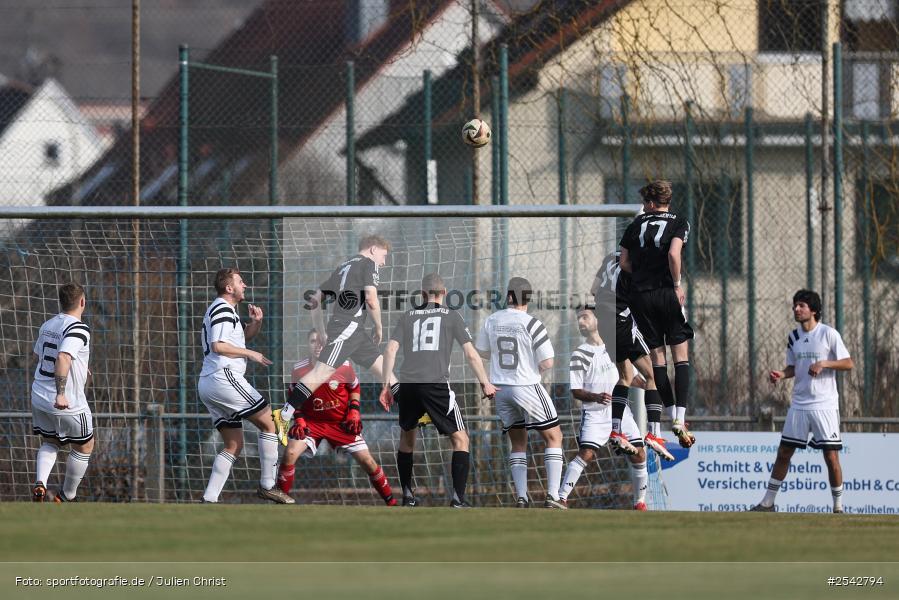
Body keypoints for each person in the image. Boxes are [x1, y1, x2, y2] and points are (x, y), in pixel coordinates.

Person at [379, 273, 498, 508]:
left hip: (409, 385)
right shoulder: (452, 316)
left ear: (422, 294)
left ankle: (407, 494)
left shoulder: (407, 316)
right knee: (461, 439)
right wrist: (485, 382)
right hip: (436, 385)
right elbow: (471, 354)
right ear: (444, 294)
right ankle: (457, 498)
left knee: (407, 438)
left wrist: (386, 386)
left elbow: (390, 351)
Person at [276, 235, 399, 443]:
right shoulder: (368, 264)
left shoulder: (343, 267)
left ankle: (416, 413)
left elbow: (315, 299)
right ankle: (284, 415)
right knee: (321, 372)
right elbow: (371, 298)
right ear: (372, 249)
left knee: (387, 373)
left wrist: (321, 330)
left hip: (356, 332)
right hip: (347, 327)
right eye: (383, 255)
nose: (384, 261)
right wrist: (379, 326)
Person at [750, 289, 853, 513]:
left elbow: (848, 363)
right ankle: (767, 503)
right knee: (784, 453)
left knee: (830, 455)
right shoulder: (793, 337)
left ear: (813, 310)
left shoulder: (829, 334)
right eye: (795, 305)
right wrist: (781, 374)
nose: (796, 309)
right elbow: (793, 368)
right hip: (799, 405)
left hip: (824, 405)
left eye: (802, 306)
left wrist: (824, 364)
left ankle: (838, 507)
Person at [198, 267, 293, 504]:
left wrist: (256, 323)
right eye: (241, 281)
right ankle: (268, 486)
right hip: (223, 377)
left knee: (233, 444)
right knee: (271, 423)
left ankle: (209, 499)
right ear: (229, 287)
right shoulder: (221, 308)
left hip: (209, 383)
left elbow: (241, 337)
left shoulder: (228, 311)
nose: (245, 285)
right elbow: (219, 345)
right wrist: (250, 354)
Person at [475, 277, 566, 509]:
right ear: (528, 298)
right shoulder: (532, 323)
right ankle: (553, 495)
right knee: (554, 437)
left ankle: (522, 498)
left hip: (500, 390)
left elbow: (483, 353)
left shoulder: (492, 320)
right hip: (525, 385)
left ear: (508, 296)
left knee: (518, 443)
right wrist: (528, 364)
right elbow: (547, 362)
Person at [276, 330, 396, 505]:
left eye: (321, 342)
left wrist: (354, 411)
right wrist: (299, 419)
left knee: (368, 461)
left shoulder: (344, 365)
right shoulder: (298, 369)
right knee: (290, 453)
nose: (317, 345)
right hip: (312, 423)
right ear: (307, 344)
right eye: (312, 341)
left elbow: (354, 388)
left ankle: (391, 502)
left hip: (340, 423)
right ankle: (281, 501)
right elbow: (294, 398)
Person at [619, 180, 696, 448]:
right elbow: (674, 254)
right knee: (681, 355)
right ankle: (680, 417)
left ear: (650, 203)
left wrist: (642, 275)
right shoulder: (679, 221)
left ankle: (672, 412)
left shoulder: (634, 225)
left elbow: (624, 263)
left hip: (640, 296)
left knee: (658, 360)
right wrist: (676, 285)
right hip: (665, 292)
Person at [558, 306, 650, 510]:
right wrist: (596, 397)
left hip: (621, 411)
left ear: (598, 320)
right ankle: (561, 498)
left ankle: (639, 503)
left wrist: (649, 386)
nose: (581, 322)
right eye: (579, 319)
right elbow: (576, 390)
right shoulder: (580, 354)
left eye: (585, 317)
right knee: (587, 454)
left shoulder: (616, 347)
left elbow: (631, 376)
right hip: (594, 414)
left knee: (639, 453)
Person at [591, 250, 673, 461]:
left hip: (603, 319)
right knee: (653, 374)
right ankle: (654, 433)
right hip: (621, 318)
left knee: (625, 375)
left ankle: (616, 431)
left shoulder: (610, 256)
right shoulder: (641, 258)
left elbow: (593, 289)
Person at [30, 282, 94, 502]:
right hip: (66, 401)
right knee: (85, 444)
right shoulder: (78, 327)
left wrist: (81, 367)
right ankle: (66, 496)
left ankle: (40, 482)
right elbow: (63, 357)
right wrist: (61, 393)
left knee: (51, 441)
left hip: (39, 395)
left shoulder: (48, 324)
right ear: (82, 302)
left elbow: (39, 357)